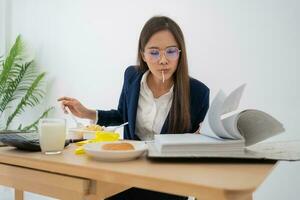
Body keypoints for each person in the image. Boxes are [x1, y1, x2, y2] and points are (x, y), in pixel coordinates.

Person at [58, 16, 209, 200]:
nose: (163, 60)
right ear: (143, 54)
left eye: (171, 51)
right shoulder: (132, 77)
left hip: (168, 186)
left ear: (180, 53)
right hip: (125, 178)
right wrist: (86, 112)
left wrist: (203, 138)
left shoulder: (198, 93)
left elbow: (200, 150)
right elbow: (122, 115)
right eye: (154, 52)